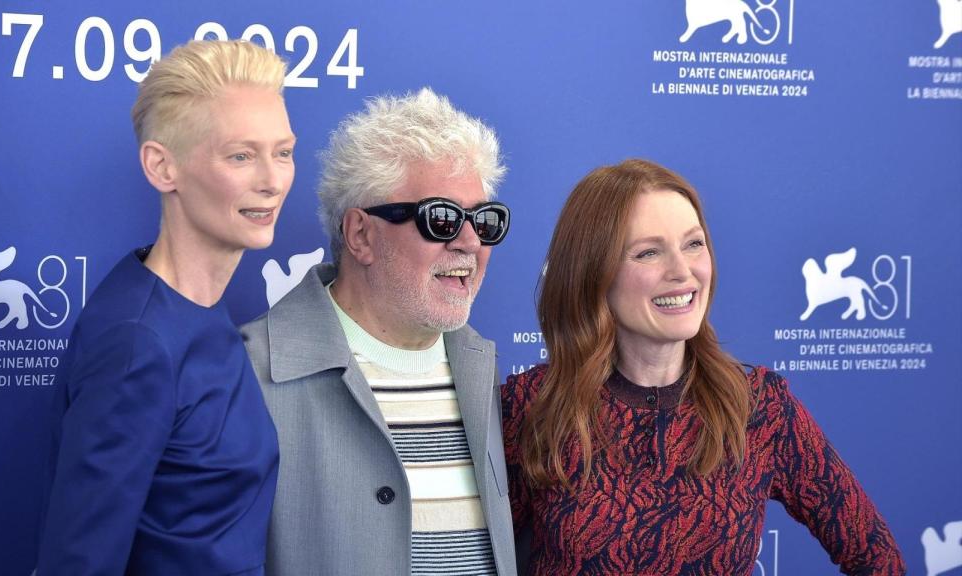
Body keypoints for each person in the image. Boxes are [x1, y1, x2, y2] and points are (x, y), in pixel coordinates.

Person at [501, 159, 905, 575]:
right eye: (648, 252)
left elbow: (877, 558)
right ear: (592, 274)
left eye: (693, 244)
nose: (683, 271)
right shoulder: (529, 407)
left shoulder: (760, 408)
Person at [36, 40, 294, 575]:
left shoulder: (198, 311)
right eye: (241, 155)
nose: (272, 180)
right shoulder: (139, 343)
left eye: (284, 152)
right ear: (162, 167)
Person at [242, 88, 517, 575]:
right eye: (441, 218)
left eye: (484, 220)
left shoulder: (490, 375)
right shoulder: (248, 374)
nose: (470, 242)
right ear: (361, 235)